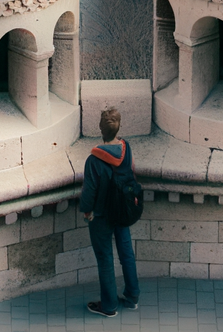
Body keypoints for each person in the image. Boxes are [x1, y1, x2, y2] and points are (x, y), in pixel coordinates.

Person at [79, 107, 139, 317]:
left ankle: (109, 306)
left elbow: (89, 192)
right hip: (122, 211)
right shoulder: (126, 148)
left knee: (105, 259)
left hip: (102, 216)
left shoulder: (94, 161)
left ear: (100, 129)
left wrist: (87, 212)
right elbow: (131, 174)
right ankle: (132, 298)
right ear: (118, 127)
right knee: (126, 254)